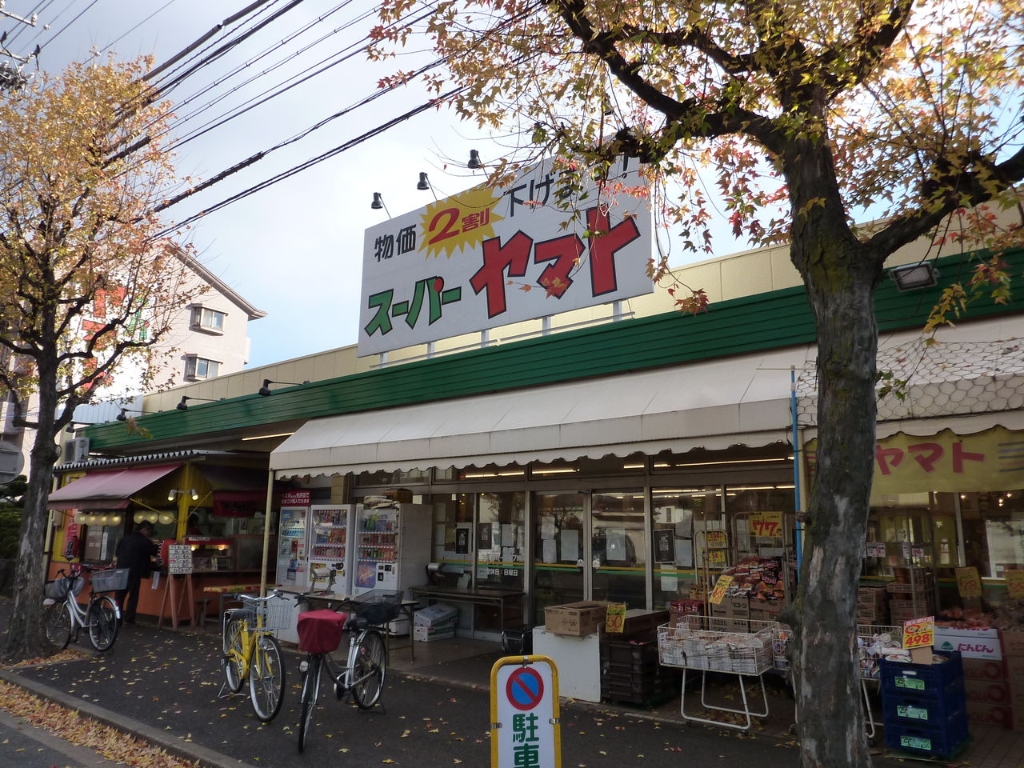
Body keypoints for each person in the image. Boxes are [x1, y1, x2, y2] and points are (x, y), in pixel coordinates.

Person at [115, 521, 160, 624]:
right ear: (145, 530)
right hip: (134, 571)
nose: (150, 534)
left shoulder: (125, 538)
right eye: (149, 531)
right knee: (133, 596)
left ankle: (117, 618)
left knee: (119, 596)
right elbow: (156, 551)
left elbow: (117, 553)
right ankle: (129, 619)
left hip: (121, 570)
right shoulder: (144, 541)